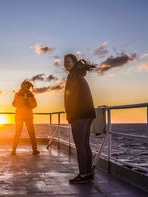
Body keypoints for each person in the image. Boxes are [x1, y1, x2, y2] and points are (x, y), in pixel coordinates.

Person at [64, 54, 96, 184]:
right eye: (64, 62)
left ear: (74, 62)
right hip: (88, 113)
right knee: (85, 144)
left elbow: (72, 97)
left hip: (79, 114)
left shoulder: (72, 75)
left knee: (80, 146)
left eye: (67, 62)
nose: (65, 64)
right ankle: (88, 173)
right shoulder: (79, 74)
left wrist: (70, 115)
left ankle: (83, 175)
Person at [11, 80, 40, 155]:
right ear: (22, 86)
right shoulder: (17, 94)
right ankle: (13, 150)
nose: (26, 88)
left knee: (32, 133)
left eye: (27, 87)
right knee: (17, 133)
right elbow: (14, 104)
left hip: (28, 116)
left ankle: (34, 150)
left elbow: (35, 104)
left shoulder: (31, 95)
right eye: (25, 86)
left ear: (29, 87)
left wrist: (28, 102)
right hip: (19, 116)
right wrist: (21, 102)